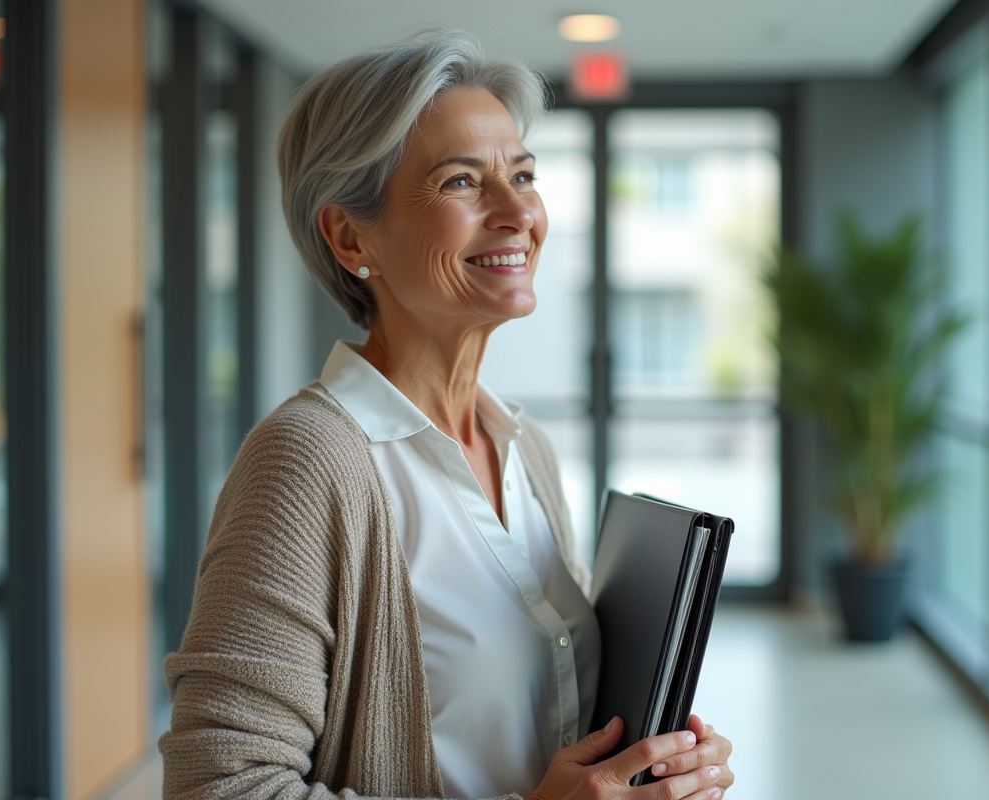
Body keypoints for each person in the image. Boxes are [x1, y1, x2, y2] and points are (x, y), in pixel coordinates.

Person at [159, 31, 734, 800]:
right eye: (463, 182)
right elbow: (217, 787)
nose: (516, 212)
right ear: (349, 236)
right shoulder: (306, 463)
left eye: (522, 174)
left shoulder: (524, 448)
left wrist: (651, 767)